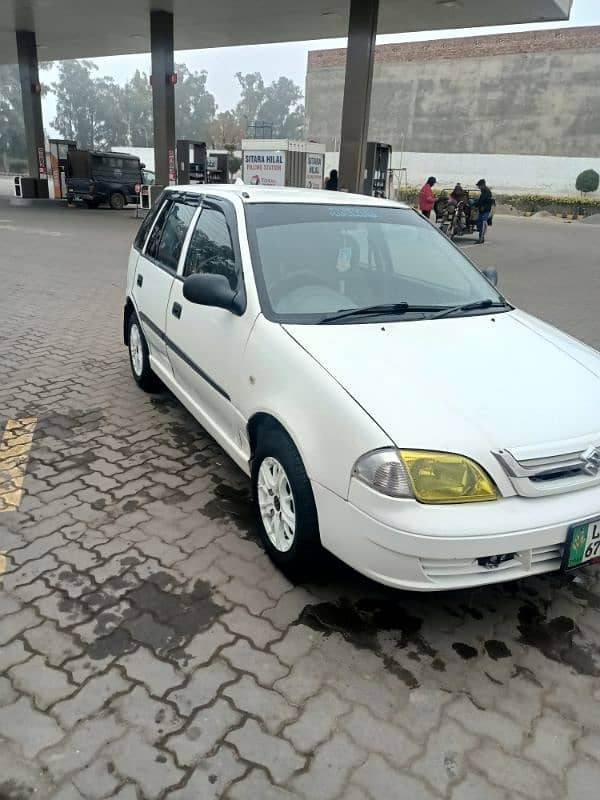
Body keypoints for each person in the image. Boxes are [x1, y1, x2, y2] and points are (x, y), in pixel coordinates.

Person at [475, 178, 493, 244]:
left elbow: (482, 200)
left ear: (482, 185)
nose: (479, 187)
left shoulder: (486, 191)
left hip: (485, 210)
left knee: (482, 223)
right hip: (483, 209)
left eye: (479, 186)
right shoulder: (484, 191)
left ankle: (481, 239)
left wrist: (476, 205)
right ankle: (481, 238)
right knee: (480, 223)